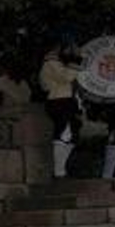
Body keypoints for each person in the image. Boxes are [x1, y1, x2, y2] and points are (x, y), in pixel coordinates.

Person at [39, 42, 84, 179]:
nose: (74, 50)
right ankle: (59, 172)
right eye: (71, 48)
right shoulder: (51, 62)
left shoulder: (59, 62)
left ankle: (60, 170)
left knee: (72, 137)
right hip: (59, 101)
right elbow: (66, 77)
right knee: (64, 134)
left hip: (67, 102)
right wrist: (76, 60)